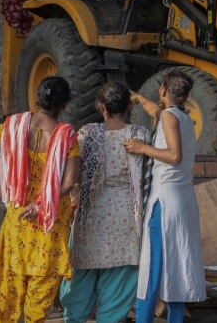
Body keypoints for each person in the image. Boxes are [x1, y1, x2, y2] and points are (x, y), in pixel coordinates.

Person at [0, 76, 80, 323]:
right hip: (48, 221)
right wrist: (40, 204)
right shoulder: (66, 136)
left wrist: (6, 170)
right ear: (64, 105)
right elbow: (68, 183)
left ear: (37, 99)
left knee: (9, 283)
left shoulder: (13, 126)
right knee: (40, 289)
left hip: (18, 218)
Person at [59, 82, 150, 323]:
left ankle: (74, 318)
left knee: (81, 274)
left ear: (101, 107)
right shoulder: (140, 135)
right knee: (120, 277)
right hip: (125, 217)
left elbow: (73, 175)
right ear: (129, 107)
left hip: (91, 216)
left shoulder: (87, 134)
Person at [123, 69, 207, 323]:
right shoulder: (181, 116)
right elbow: (156, 113)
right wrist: (138, 97)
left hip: (165, 203)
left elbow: (174, 155)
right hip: (182, 200)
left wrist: (142, 148)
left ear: (163, 90)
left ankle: (144, 319)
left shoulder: (170, 117)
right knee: (176, 268)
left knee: (152, 268)